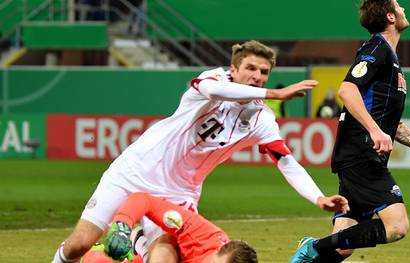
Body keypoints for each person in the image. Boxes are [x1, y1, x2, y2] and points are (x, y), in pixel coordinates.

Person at [52, 40, 349, 263]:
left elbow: (286, 162)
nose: (257, 76)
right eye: (250, 68)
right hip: (134, 171)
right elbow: (215, 92)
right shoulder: (213, 81)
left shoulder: (261, 120)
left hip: (180, 193)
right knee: (79, 244)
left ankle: (138, 240)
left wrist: (318, 197)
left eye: (264, 72)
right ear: (233, 69)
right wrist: (274, 93)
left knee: (165, 256)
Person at [289, 1, 410, 262]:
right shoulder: (378, 48)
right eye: (399, 6)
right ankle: (314, 246)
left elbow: (391, 125)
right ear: (390, 16)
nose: (403, 9)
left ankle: (316, 253)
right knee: (397, 227)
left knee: (343, 245)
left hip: (360, 154)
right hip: (362, 153)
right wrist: (375, 131)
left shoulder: (390, 57)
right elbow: (347, 89)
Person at [103, 192, 258, 263]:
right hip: (168, 234)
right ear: (217, 251)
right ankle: (140, 245)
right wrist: (122, 225)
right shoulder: (198, 234)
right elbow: (144, 200)